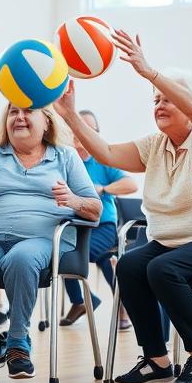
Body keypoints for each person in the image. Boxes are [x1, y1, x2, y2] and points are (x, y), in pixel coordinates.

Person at [55, 30, 192, 383]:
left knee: (161, 268)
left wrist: (149, 71)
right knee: (132, 266)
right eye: (155, 100)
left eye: (168, 98)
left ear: (189, 103)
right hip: (174, 242)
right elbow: (105, 152)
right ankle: (157, 360)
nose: (159, 105)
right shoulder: (155, 145)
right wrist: (71, 115)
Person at [0, 104, 101, 380]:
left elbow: (95, 210)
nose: (19, 117)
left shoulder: (65, 157)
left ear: (47, 122)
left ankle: (17, 342)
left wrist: (72, 200)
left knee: (20, 257)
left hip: (42, 240)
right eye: (13, 112)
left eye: (29, 111)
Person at [59, 109, 138, 327]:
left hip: (103, 226)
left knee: (72, 254)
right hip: (74, 225)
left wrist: (103, 188)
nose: (81, 135)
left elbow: (131, 184)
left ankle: (86, 302)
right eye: (76, 129)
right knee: (63, 249)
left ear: (95, 133)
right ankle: (86, 301)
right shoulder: (66, 160)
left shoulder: (102, 161)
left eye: (88, 130)